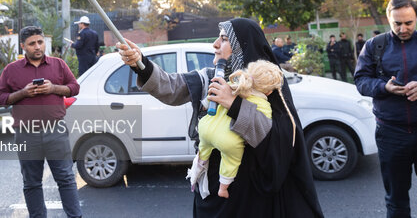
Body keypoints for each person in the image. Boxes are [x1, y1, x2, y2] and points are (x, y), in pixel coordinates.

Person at [117, 18, 323, 217]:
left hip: (249, 196)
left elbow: (281, 140)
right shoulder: (210, 77)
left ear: (242, 46)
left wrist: (235, 104)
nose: (215, 44)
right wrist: (140, 63)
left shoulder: (267, 87)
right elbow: (171, 87)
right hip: (212, 192)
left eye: (224, 39)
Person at [355, 0, 417, 218]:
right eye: (396, 23)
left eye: (408, 23)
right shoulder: (374, 46)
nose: (402, 28)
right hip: (391, 134)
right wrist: (384, 87)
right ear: (388, 19)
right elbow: (361, 81)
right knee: (396, 202)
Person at [0, 26, 82, 218]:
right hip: (26, 133)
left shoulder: (58, 64)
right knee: (32, 182)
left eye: (40, 42)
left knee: (66, 178)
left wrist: (54, 88)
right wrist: (23, 93)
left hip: (56, 131)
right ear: (23, 46)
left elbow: (74, 88)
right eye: (32, 43)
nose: (37, 47)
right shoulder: (11, 70)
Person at [194, 60, 295, 199]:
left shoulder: (233, 84)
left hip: (206, 127)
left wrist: (205, 105)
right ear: (270, 91)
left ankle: (197, 169)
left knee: (203, 149)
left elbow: (210, 99)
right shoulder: (264, 105)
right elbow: (263, 128)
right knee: (231, 161)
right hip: (227, 139)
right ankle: (223, 188)